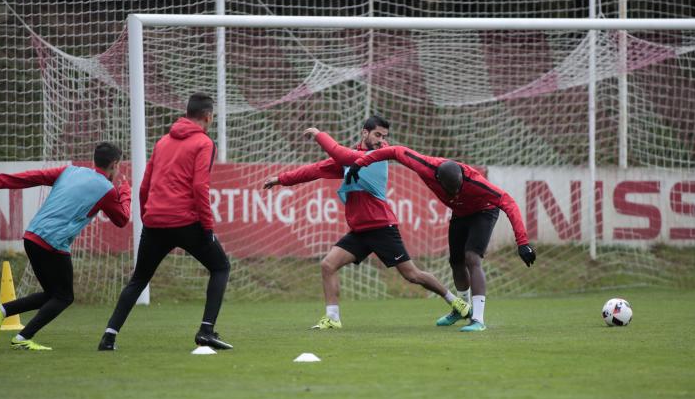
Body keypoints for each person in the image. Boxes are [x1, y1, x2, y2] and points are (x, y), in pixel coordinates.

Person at [263, 114, 469, 329]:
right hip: (360, 230)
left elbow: (337, 152)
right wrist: (281, 179)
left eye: (384, 136)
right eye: (378, 135)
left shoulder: (378, 156)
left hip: (381, 226)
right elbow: (316, 169)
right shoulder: (350, 159)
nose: (381, 140)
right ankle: (332, 318)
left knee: (412, 275)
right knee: (328, 265)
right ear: (365, 133)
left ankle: (456, 302)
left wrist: (318, 133)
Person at [339, 143, 536, 332]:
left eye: (458, 188)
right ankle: (461, 308)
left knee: (472, 258)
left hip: (484, 211)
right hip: (460, 213)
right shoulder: (426, 166)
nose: (455, 192)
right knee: (455, 262)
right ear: (439, 179)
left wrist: (523, 243)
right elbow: (396, 151)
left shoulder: (475, 181)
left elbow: (508, 202)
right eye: (451, 189)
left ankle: (478, 319)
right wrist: (360, 162)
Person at [98, 93, 232, 351]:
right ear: (208, 116)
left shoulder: (162, 142)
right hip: (185, 221)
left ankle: (109, 335)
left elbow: (145, 186)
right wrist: (208, 227)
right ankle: (206, 330)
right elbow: (199, 187)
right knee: (220, 267)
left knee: (139, 279)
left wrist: (148, 216)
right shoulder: (204, 143)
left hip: (155, 222)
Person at [0, 142, 131, 350]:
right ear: (114, 164)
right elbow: (122, 219)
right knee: (64, 296)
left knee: (52, 294)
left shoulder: (70, 171)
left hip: (32, 236)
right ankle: (23, 338)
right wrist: (125, 192)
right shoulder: (106, 189)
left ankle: (2, 310)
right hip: (52, 243)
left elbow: (32, 177)